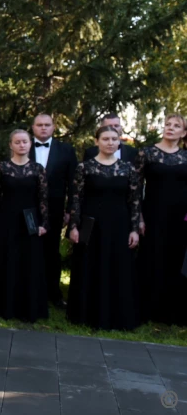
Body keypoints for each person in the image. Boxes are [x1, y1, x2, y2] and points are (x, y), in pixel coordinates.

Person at [67, 126, 141, 330]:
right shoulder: (85, 168)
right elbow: (76, 199)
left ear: (119, 142)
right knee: (89, 265)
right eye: (105, 138)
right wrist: (74, 226)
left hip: (119, 225)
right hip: (91, 225)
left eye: (114, 139)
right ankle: (86, 314)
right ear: (97, 141)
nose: (110, 142)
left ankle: (116, 316)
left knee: (118, 267)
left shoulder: (129, 169)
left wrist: (134, 229)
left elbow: (134, 201)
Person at [0, 129, 49, 323]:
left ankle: (27, 306)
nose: (21, 145)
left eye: (25, 142)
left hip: (30, 221)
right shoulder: (1, 168)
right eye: (17, 142)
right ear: (11, 145)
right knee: (5, 259)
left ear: (30, 144)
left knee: (29, 261)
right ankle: (2, 305)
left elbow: (43, 198)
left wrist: (44, 223)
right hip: (6, 218)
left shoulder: (38, 168)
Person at [135, 113, 187, 326]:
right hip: (153, 214)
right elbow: (135, 188)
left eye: (177, 126)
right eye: (168, 124)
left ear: (183, 133)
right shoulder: (147, 153)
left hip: (180, 218)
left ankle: (170, 313)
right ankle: (146, 309)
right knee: (151, 258)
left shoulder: (185, 156)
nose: (171, 128)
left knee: (174, 260)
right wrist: (138, 217)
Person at [29, 113, 78, 309]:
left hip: (55, 209)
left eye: (47, 125)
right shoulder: (23, 145)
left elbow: (73, 184)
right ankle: (30, 291)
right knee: (29, 249)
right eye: (39, 125)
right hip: (27, 208)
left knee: (52, 252)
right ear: (33, 127)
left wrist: (70, 211)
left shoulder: (66, 150)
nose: (43, 128)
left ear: (53, 127)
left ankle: (54, 293)